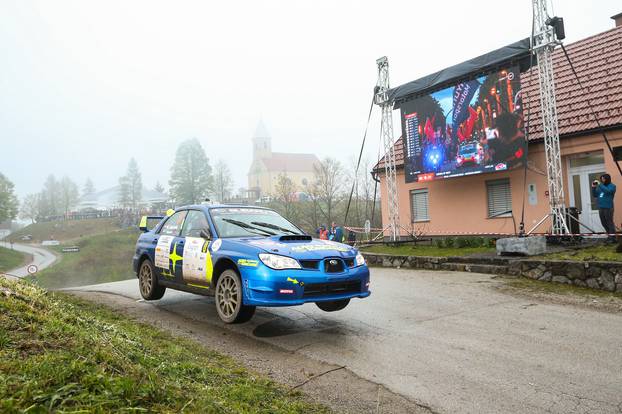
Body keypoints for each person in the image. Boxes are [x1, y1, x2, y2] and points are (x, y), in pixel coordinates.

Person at [592, 173, 617, 243]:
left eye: (603, 179)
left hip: (608, 207)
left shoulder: (612, 186)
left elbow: (608, 191)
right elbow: (595, 195)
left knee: (609, 222)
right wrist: (593, 187)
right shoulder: (600, 187)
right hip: (601, 207)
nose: (602, 180)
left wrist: (600, 185)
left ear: (607, 179)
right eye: (601, 179)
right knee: (603, 222)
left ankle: (613, 238)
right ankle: (610, 236)